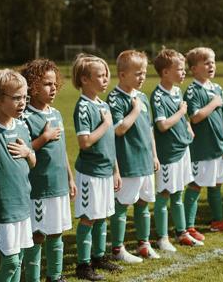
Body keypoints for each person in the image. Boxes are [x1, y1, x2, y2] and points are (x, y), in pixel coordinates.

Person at [21, 59, 76, 282]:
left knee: (56, 232)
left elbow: (61, 151)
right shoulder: (24, 117)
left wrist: (70, 178)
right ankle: (32, 277)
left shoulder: (56, 114)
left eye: (55, 84)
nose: (53, 88)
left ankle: (55, 276)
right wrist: (43, 138)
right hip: (38, 189)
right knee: (37, 235)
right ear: (32, 86)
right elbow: (23, 151)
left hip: (59, 185)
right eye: (46, 84)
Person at [0, 69, 36, 282]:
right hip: (2, 205)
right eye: (16, 98)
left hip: (23, 202)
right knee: (11, 262)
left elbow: (33, 161)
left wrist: (27, 153)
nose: (22, 103)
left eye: (25, 97)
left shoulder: (22, 125)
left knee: (19, 259)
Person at [71, 54, 122, 281]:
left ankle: (98, 257)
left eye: (105, 75)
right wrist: (106, 124)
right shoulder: (83, 107)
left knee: (103, 216)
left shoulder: (104, 105)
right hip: (90, 173)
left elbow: (109, 142)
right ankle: (83, 265)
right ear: (84, 79)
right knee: (89, 217)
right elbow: (85, 142)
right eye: (99, 76)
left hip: (105, 171)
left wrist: (116, 170)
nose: (105, 80)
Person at [107, 50, 161, 263]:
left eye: (144, 73)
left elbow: (149, 130)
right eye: (138, 73)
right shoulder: (115, 98)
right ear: (122, 75)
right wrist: (135, 110)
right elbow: (119, 129)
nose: (142, 77)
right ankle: (118, 249)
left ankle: (144, 243)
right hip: (128, 161)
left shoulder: (142, 97)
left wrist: (154, 155)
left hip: (145, 161)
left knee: (143, 203)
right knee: (122, 205)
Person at [151, 49, 203, 251]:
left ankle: (182, 233)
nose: (183, 73)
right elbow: (162, 125)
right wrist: (182, 111)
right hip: (168, 154)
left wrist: (188, 126)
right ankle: (162, 238)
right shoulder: (158, 95)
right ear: (165, 72)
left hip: (183, 150)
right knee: (164, 194)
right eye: (179, 69)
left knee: (178, 193)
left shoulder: (176, 91)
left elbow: (182, 117)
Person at [183, 47, 223, 235]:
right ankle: (188, 227)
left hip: (218, 147)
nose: (211, 65)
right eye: (206, 63)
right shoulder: (192, 90)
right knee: (195, 186)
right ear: (194, 69)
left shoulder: (217, 88)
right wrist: (213, 103)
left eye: (213, 62)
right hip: (201, 149)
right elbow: (195, 117)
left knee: (216, 184)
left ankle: (217, 221)